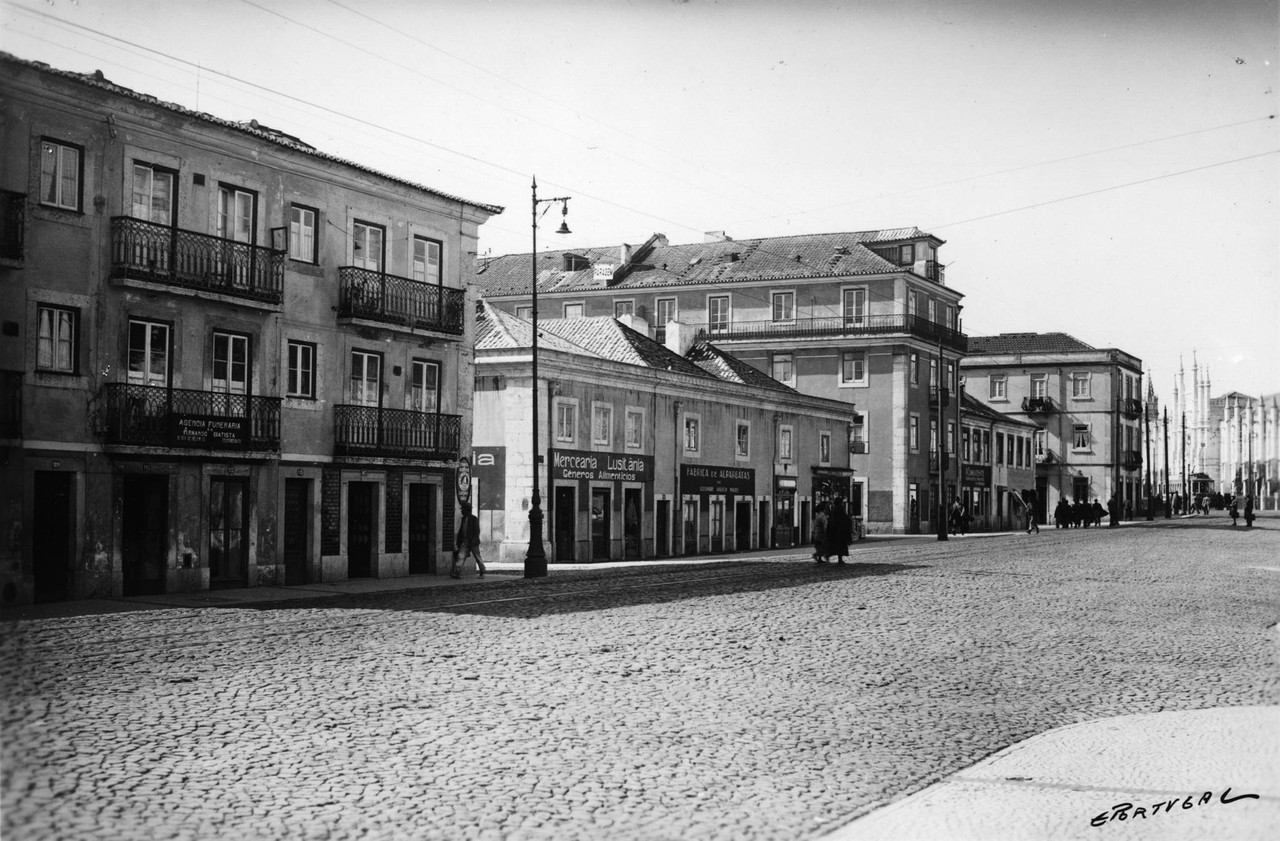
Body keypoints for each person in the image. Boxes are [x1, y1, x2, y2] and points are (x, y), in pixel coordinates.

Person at [452, 502, 485, 579]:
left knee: (477, 557)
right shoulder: (463, 519)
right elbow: (461, 531)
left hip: (473, 541)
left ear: (467, 510)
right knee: (461, 556)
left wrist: (475, 539)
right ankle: (456, 572)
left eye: (463, 510)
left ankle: (482, 572)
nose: (462, 511)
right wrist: (458, 541)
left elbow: (477, 530)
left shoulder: (474, 519)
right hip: (465, 541)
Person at [826, 498, 851, 564]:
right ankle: (839, 559)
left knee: (834, 545)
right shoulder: (841, 509)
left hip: (833, 531)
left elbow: (830, 521)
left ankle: (829, 555)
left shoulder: (833, 510)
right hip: (840, 531)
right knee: (840, 546)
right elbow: (844, 520)